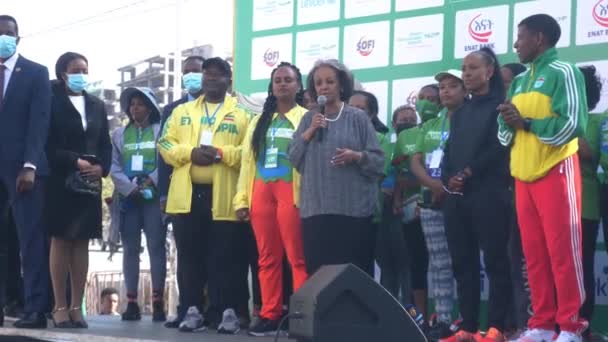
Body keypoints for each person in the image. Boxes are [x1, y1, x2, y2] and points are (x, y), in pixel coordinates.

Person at [498, 14, 588, 342]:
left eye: (520, 37)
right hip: (523, 175)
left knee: (562, 252)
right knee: (533, 254)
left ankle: (571, 326)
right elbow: (505, 133)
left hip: (555, 169)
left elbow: (572, 125)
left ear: (539, 38)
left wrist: (528, 124)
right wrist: (508, 121)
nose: (515, 44)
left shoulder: (564, 71)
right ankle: (541, 323)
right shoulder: (520, 81)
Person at [158, 57, 250, 334]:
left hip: (224, 195)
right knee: (189, 257)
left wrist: (221, 154)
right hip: (187, 196)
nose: (210, 79)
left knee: (224, 257)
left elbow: (248, 153)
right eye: (206, 75)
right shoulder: (182, 111)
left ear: (228, 81)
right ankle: (191, 310)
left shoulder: (243, 113)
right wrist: (190, 154)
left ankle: (225, 313)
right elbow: (164, 143)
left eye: (217, 76)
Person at [288, 59, 384, 277]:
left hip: (353, 212)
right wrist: (310, 131)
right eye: (319, 82)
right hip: (316, 211)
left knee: (354, 275)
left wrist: (356, 156)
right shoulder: (308, 119)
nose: (323, 86)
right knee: (320, 277)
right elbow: (293, 157)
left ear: (341, 85)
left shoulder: (357, 117)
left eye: (330, 81)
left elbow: (378, 162)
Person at [441, 48, 512, 342]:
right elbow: (449, 151)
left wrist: (468, 173)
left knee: (495, 261)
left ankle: (497, 327)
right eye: (464, 68)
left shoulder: (501, 107)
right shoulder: (460, 112)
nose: (467, 74)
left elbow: (498, 148)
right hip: (457, 197)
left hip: (490, 194)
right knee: (462, 262)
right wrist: (449, 178)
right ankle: (468, 327)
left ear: (490, 71)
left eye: (473, 68)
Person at [234, 62, 308, 336]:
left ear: (298, 85)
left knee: (297, 257)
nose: (282, 84)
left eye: (288, 80)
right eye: (277, 80)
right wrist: (242, 200)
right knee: (267, 258)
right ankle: (269, 313)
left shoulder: (307, 117)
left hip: (292, 191)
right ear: (272, 86)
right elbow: (246, 163)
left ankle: (301, 316)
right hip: (261, 191)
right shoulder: (258, 120)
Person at [46, 52, 112, 329]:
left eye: (85, 69)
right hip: (61, 179)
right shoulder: (51, 101)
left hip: (89, 184)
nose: (81, 74)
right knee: (61, 240)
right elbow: (46, 143)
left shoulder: (97, 104)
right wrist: (74, 160)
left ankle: (76, 307)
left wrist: (102, 168)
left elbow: (105, 144)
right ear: (63, 73)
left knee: (82, 242)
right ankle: (59, 306)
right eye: (76, 70)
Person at [0, 15, 52, 329]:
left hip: (22, 170)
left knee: (29, 240)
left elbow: (39, 121)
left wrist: (30, 165)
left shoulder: (35, 72)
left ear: (18, 39)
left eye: (8, 34)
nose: (3, 38)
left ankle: (35, 308)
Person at [409, 72, 463, 337]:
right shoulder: (430, 125)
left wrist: (450, 185)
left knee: (463, 262)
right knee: (439, 263)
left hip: (461, 200)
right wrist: (433, 186)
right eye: (442, 87)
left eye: (453, 86)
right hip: (431, 200)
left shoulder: (469, 119)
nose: (446, 92)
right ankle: (442, 320)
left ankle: (466, 320)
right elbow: (416, 160)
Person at [111, 87, 166, 322]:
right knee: (130, 250)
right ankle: (131, 303)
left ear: (150, 107)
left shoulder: (160, 131)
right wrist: (128, 187)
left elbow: (165, 161)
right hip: (128, 201)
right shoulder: (119, 134)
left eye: (140, 104)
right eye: (132, 104)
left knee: (156, 248)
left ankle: (158, 303)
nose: (135, 108)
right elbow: (112, 165)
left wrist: (150, 181)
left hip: (153, 199)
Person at [159, 55, 205, 329]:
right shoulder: (172, 109)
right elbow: (164, 150)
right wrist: (164, 195)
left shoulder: (224, 105)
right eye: (186, 72)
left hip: (211, 190)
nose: (191, 76)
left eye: (195, 71)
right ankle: (186, 307)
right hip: (180, 191)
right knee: (185, 254)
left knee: (210, 253)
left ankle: (208, 309)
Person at [500, 62, 531, 339]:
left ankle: (530, 324)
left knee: (525, 261)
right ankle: (511, 324)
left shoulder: (529, 116)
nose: (503, 88)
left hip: (529, 195)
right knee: (508, 260)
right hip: (501, 201)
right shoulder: (497, 115)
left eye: (507, 82)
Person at [576, 65, 603, 342]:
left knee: (581, 268)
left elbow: (589, 153)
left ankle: (583, 328)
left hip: (585, 204)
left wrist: (567, 122)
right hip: (552, 205)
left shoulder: (597, 121)